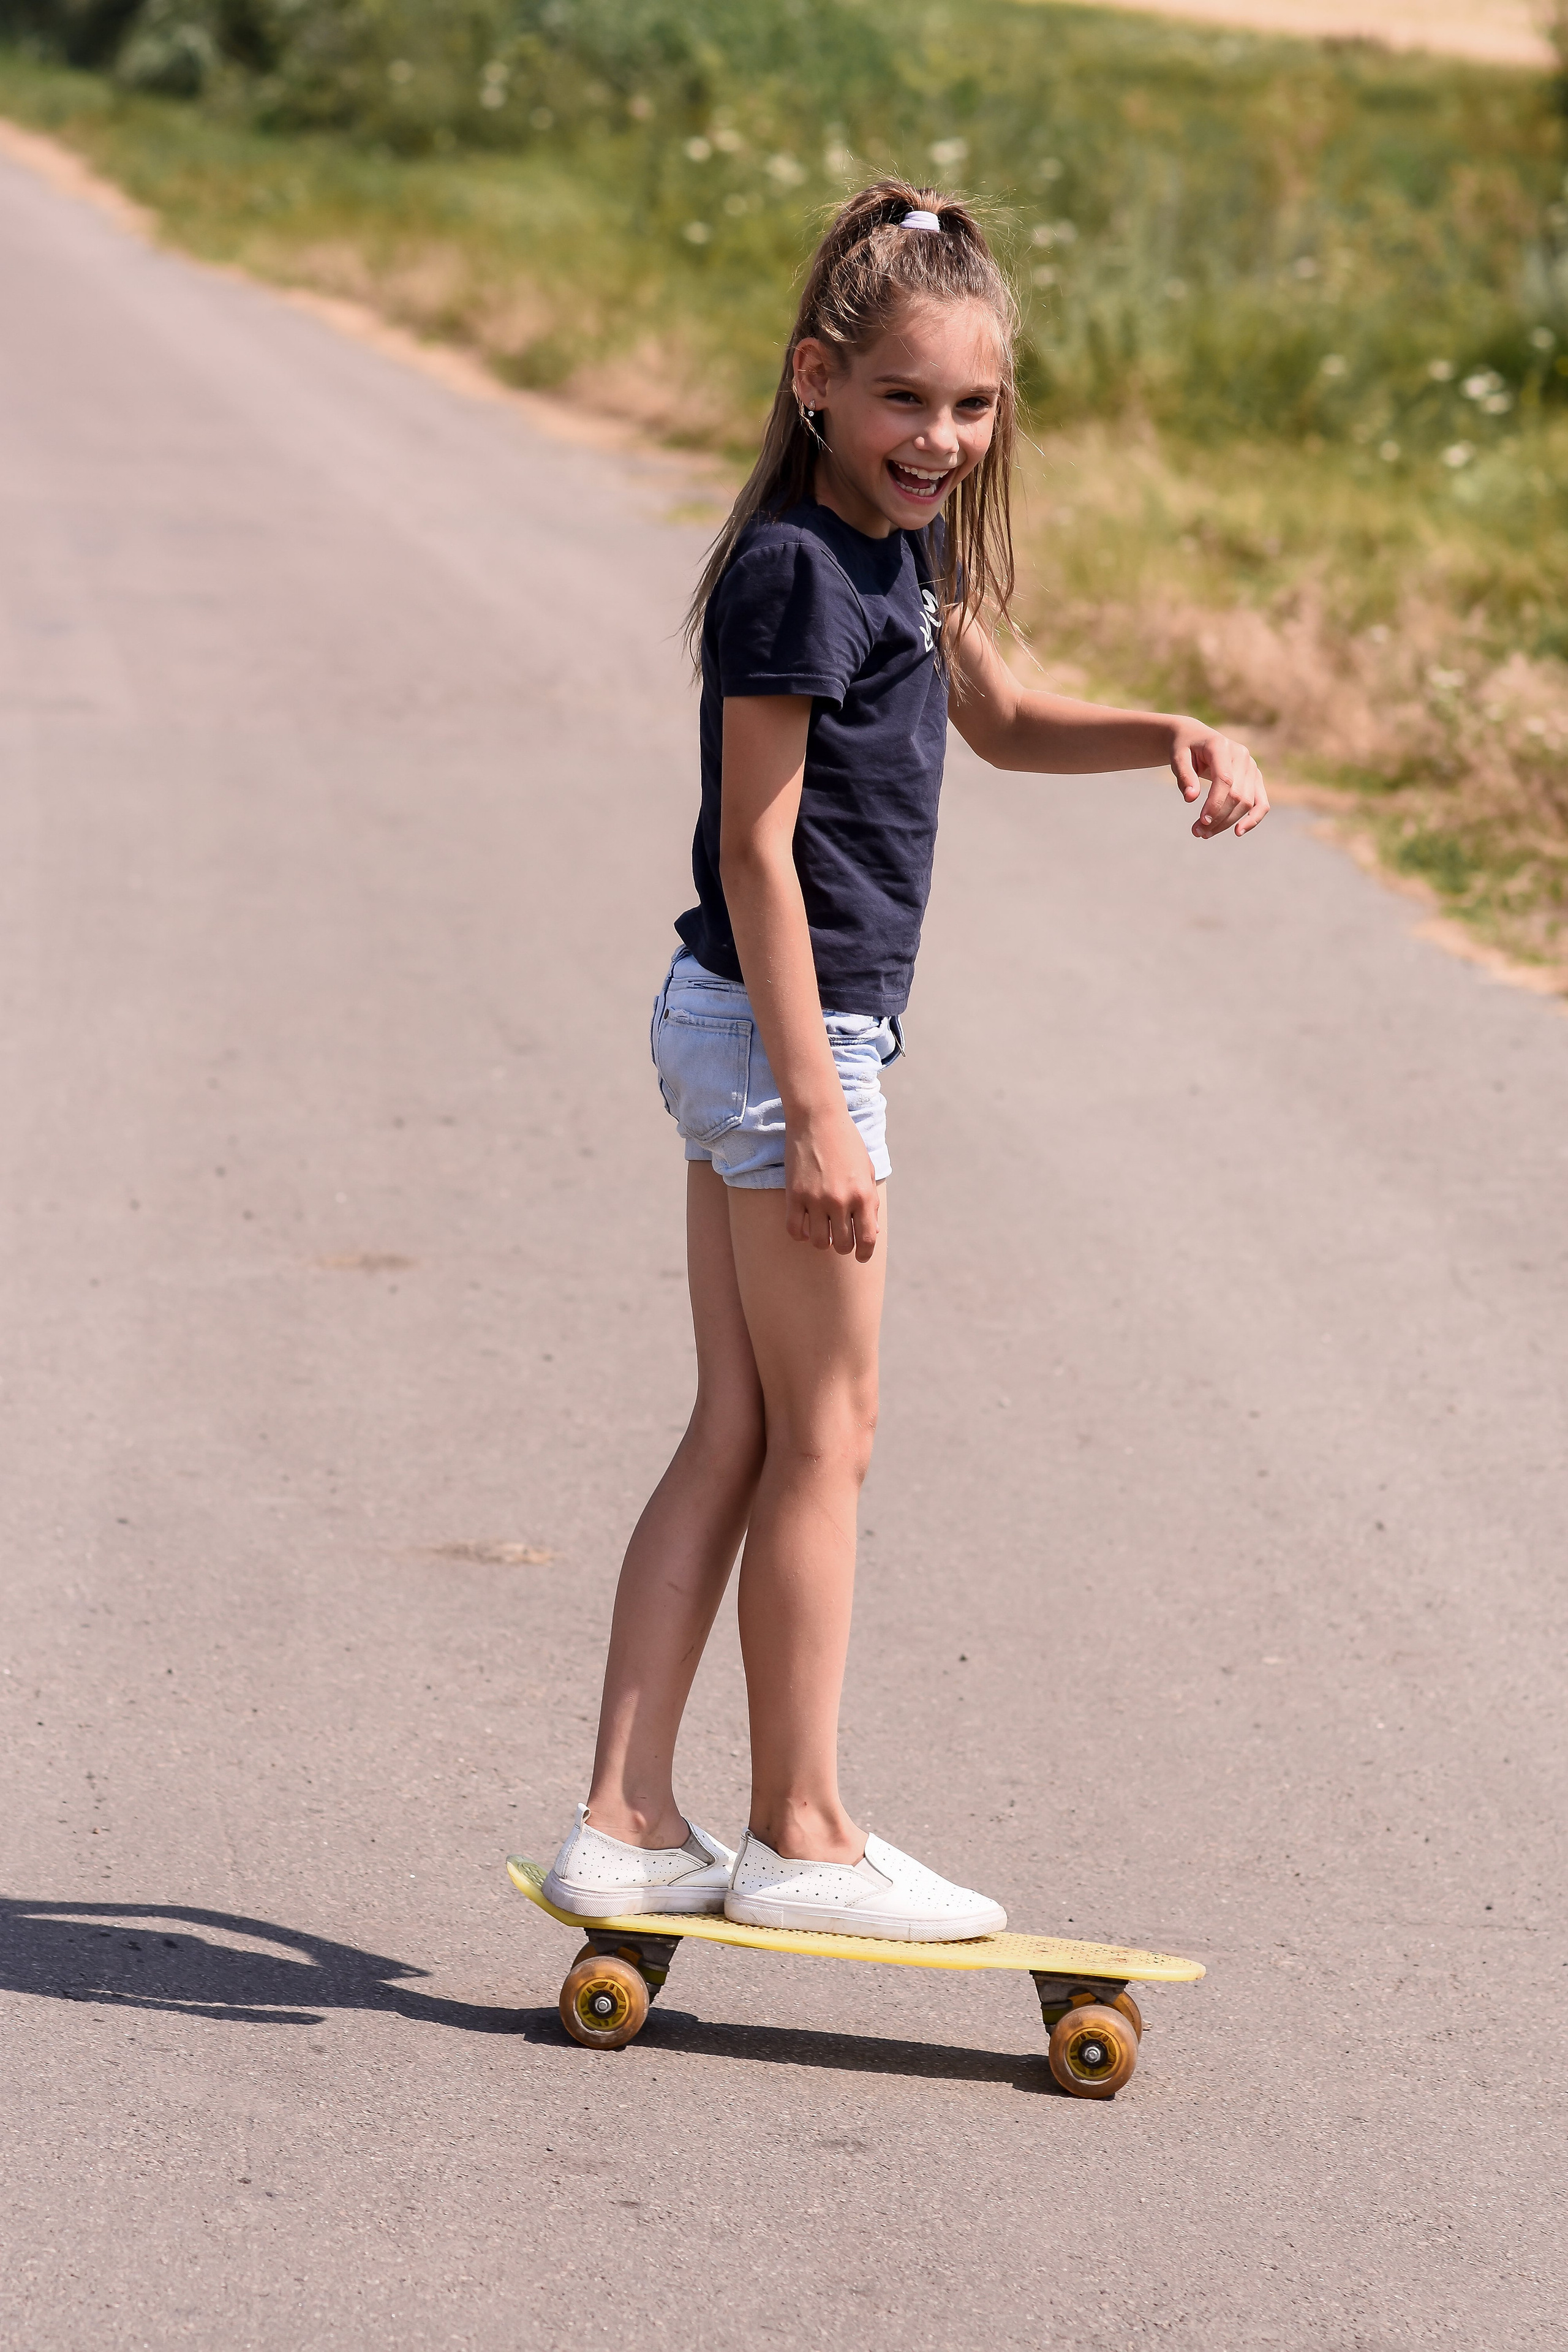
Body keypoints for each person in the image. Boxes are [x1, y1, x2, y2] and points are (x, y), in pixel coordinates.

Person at [543, 179, 1267, 1942]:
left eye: (974, 404)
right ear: (815, 380)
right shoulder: (799, 569)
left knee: (743, 1423)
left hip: (744, 1028)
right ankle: (801, 1829)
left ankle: (626, 1823)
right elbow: (755, 851)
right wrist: (818, 1113)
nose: (941, 436)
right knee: (828, 1441)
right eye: (904, 400)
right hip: (785, 1038)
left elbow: (1004, 721)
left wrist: (1169, 725)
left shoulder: (897, 553)